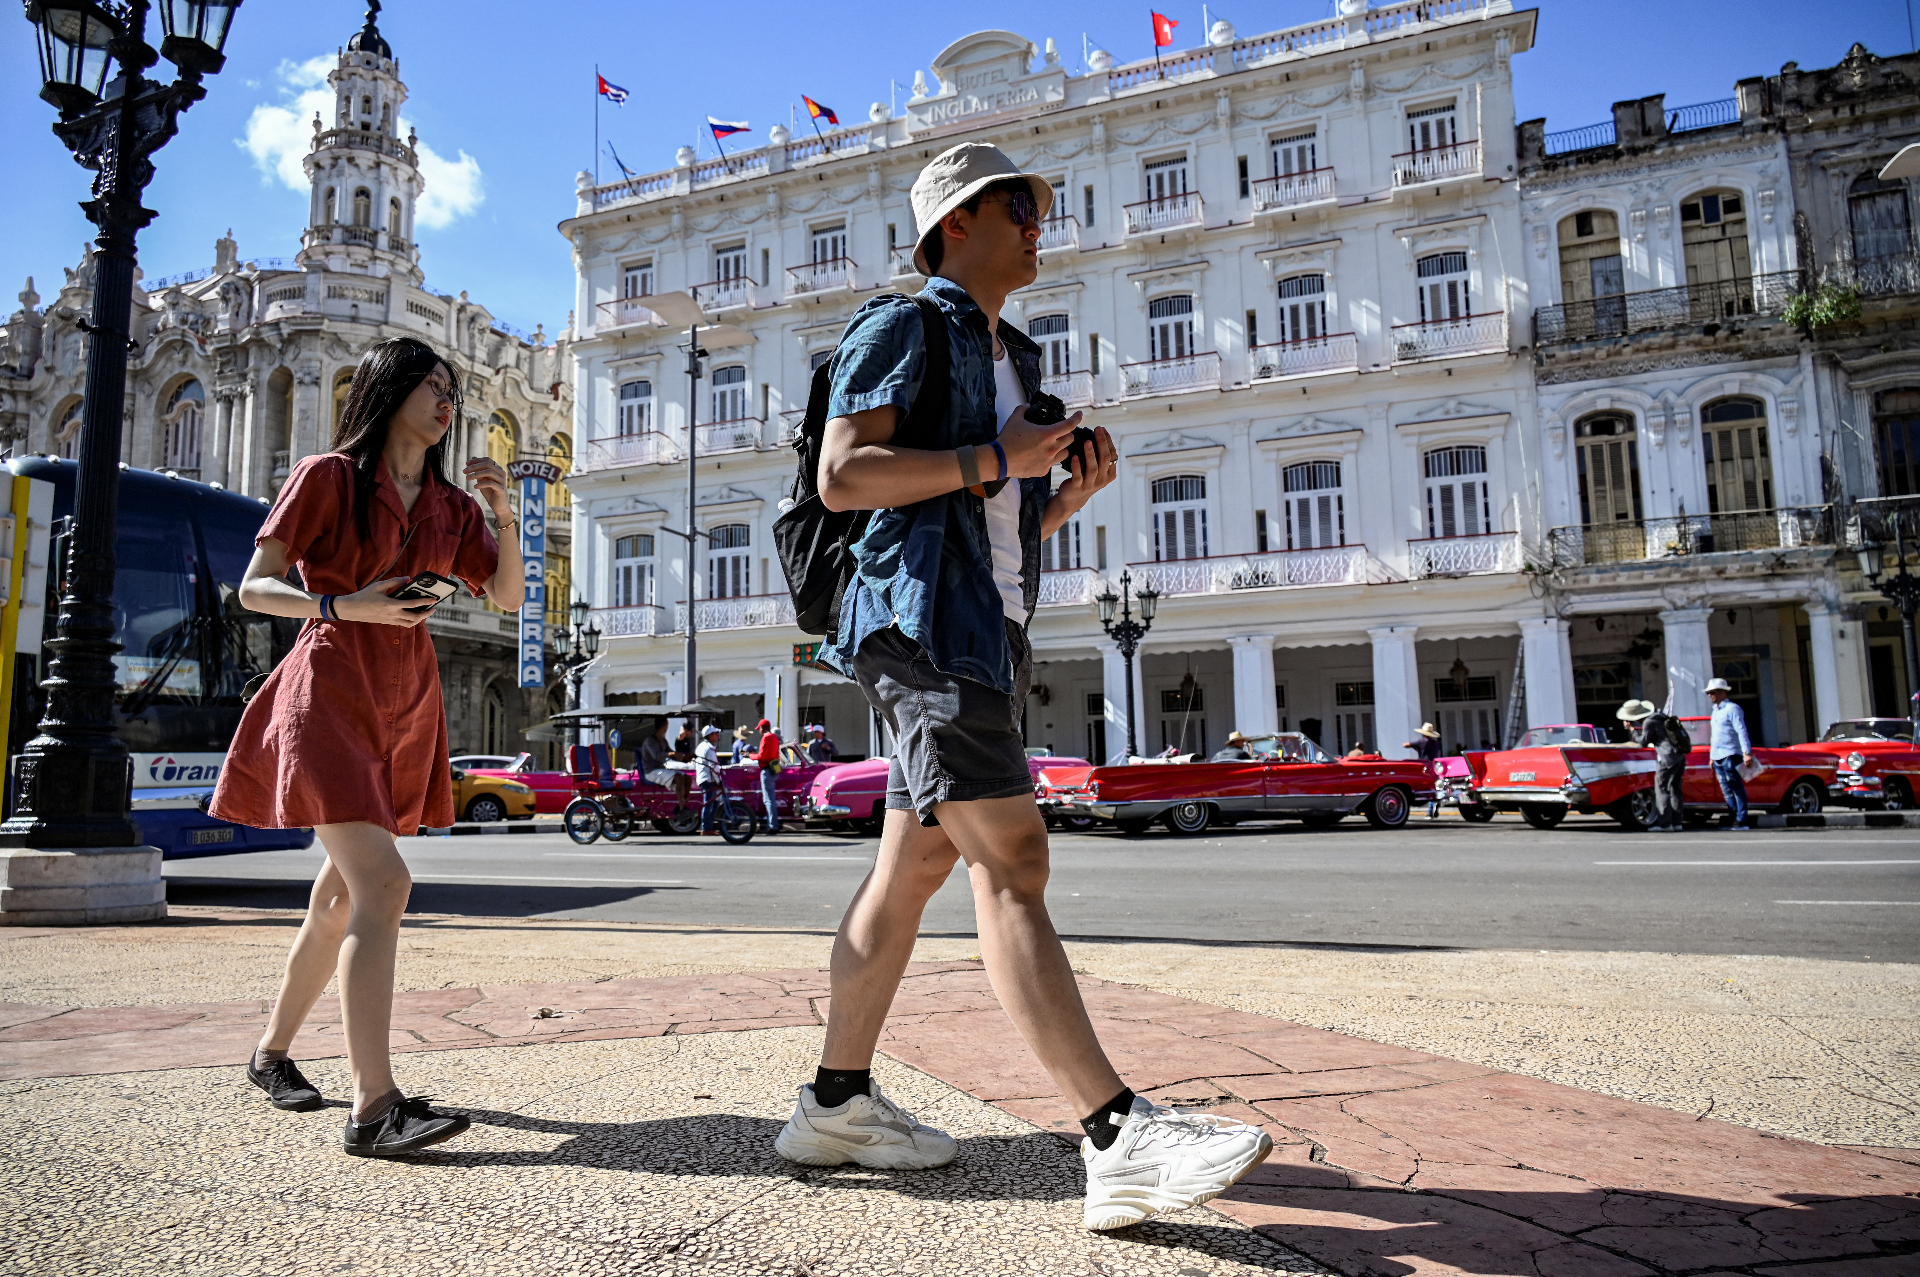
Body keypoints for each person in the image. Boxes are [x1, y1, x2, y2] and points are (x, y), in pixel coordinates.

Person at [776, 142, 1272, 1231]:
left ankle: (834, 1101)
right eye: (1018, 205)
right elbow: (846, 476)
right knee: (1018, 852)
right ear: (957, 222)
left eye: (1039, 206)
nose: (1039, 221)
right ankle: (1117, 1134)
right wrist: (999, 460)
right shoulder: (904, 323)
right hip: (918, 630)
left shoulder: (1017, 354)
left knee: (910, 872)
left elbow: (982, 519)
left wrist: (1057, 495)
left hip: (979, 627)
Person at [209, 336, 524, 1157]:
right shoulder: (328, 476)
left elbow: (508, 595)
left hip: (405, 701)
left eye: (453, 388)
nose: (446, 399)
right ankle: (375, 1105)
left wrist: (506, 517)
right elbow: (255, 586)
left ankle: (269, 1053)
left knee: (339, 899)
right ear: (390, 390)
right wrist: (346, 605)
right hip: (328, 690)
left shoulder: (452, 507)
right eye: (430, 383)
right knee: (384, 881)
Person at [1619, 699, 1686, 831]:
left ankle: (1664, 824)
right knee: (1675, 789)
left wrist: (1632, 730)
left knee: (1661, 789)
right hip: (1679, 755)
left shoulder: (1649, 722)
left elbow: (1642, 742)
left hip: (1666, 757)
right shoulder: (1661, 717)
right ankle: (1677, 822)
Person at [1705, 677, 1754, 829]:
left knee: (1735, 786)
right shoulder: (1715, 712)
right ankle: (1734, 816)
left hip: (1731, 753)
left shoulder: (1732, 709)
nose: (1710, 696)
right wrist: (1712, 756)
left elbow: (1741, 731)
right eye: (1709, 693)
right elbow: (1715, 736)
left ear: (1722, 693)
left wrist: (1746, 752)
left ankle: (1742, 818)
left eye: (1712, 692)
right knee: (1726, 789)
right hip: (1718, 755)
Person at [641, 717, 692, 809]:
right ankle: (682, 808)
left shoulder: (663, 741)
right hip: (651, 772)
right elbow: (657, 755)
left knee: (688, 778)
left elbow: (671, 754)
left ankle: (681, 806)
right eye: (667, 725)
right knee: (679, 777)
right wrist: (672, 754)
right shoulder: (650, 741)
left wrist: (685, 757)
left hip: (661, 769)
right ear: (664, 726)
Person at [1404, 723, 1443, 818]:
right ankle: (1433, 806)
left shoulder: (1421, 741)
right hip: (1435, 765)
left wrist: (1415, 747)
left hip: (1424, 766)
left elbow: (1406, 745)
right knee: (1435, 787)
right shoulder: (1436, 744)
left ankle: (1429, 810)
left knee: (1425, 788)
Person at [753, 716, 784, 833]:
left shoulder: (766, 738)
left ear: (762, 728)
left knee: (768, 800)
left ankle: (772, 825)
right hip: (774, 769)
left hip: (767, 769)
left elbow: (761, 756)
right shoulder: (775, 738)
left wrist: (750, 756)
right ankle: (773, 824)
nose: (759, 731)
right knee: (771, 798)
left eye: (759, 729)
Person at [694, 723, 726, 834]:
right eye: (715, 733)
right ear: (710, 735)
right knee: (708, 803)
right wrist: (719, 780)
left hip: (704, 778)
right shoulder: (709, 748)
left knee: (714, 802)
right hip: (708, 779)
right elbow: (714, 766)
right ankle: (706, 828)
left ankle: (709, 826)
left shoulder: (702, 746)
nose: (717, 735)